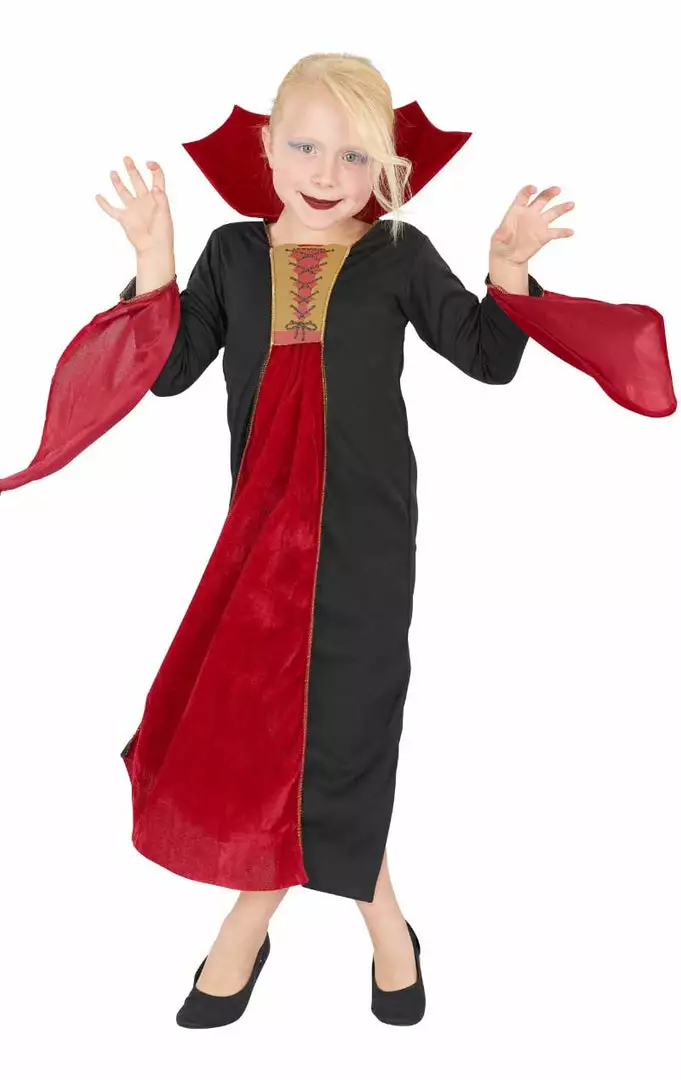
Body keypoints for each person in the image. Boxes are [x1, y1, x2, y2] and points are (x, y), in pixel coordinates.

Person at [0, 52, 675, 1029]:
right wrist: (154, 259)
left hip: (363, 539)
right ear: (268, 150)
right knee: (263, 731)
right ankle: (386, 927)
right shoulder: (233, 255)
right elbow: (168, 372)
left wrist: (507, 267)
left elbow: (488, 358)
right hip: (260, 536)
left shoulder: (397, 251)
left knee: (340, 732)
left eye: (355, 156)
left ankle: (248, 930)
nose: (327, 173)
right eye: (306, 147)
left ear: (386, 169)